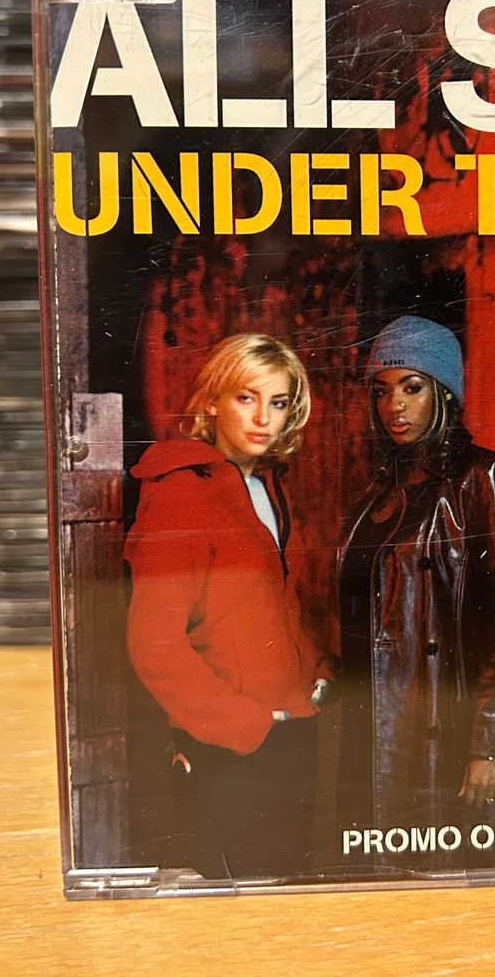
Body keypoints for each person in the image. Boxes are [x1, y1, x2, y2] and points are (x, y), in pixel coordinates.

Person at [123, 333, 330, 880]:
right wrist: (245, 726)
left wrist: (316, 674)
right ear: (212, 402)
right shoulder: (182, 492)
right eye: (246, 397)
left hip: (291, 737)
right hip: (231, 748)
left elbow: (279, 604)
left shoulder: (267, 487)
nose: (264, 418)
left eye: (278, 402)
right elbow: (153, 643)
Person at [336, 315, 495, 841]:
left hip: (443, 736)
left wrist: (488, 745)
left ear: (445, 392)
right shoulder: (377, 492)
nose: (394, 406)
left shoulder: (484, 478)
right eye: (382, 391)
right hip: (373, 730)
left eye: (412, 387)